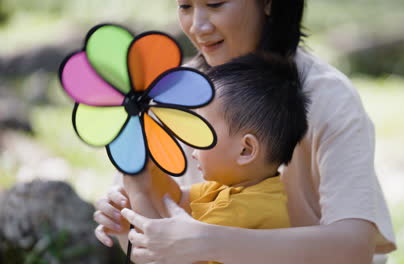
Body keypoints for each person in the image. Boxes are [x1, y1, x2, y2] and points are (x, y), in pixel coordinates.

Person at [94, 1, 397, 263]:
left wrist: (206, 241)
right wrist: (124, 215)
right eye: (184, 6)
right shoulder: (168, 94)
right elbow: (157, 243)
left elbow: (354, 248)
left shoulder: (328, 96)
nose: (198, 26)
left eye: (215, 4)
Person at [121, 52, 308, 264]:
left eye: (203, 130)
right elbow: (176, 200)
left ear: (245, 150)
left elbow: (163, 255)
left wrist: (137, 192)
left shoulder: (244, 211)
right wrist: (152, 170)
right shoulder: (237, 189)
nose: (191, 141)